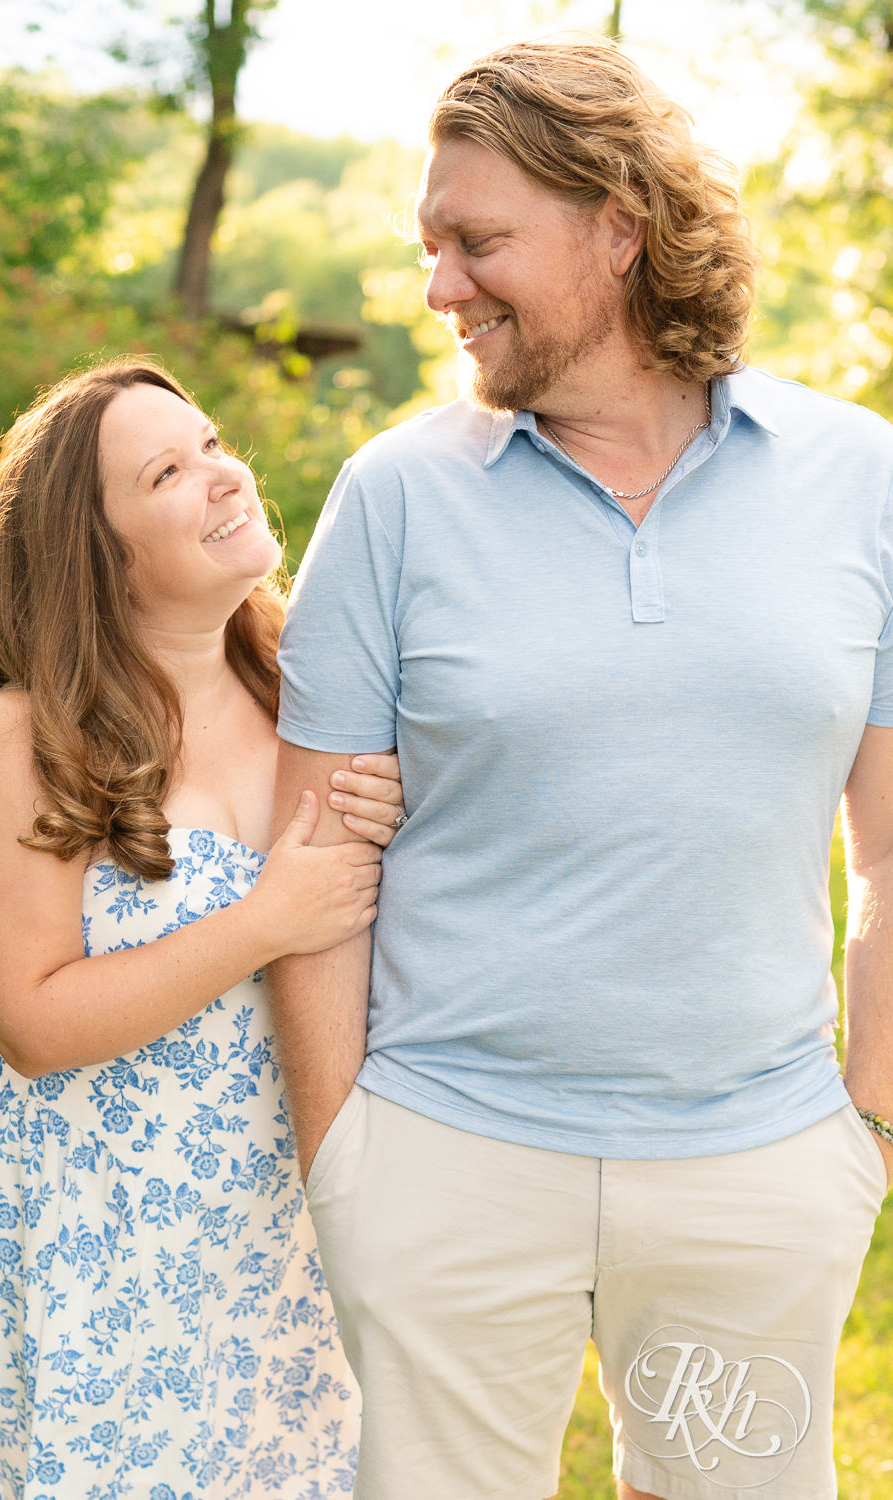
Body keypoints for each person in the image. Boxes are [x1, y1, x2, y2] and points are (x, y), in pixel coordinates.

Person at [268, 35, 893, 1500]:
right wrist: (344, 1159)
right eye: (431, 246)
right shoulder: (394, 497)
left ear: (620, 227)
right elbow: (310, 852)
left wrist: (867, 1122)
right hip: (445, 1155)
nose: (439, 287)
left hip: (760, 1163)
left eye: (480, 240)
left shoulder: (860, 477)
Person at [0, 357, 407, 1499]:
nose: (223, 476)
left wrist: (404, 818)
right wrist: (266, 919)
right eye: (168, 472)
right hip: (93, 1226)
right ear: (99, 554)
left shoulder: (311, 698)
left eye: (213, 443)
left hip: (277, 1217)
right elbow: (29, 1020)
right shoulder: (31, 737)